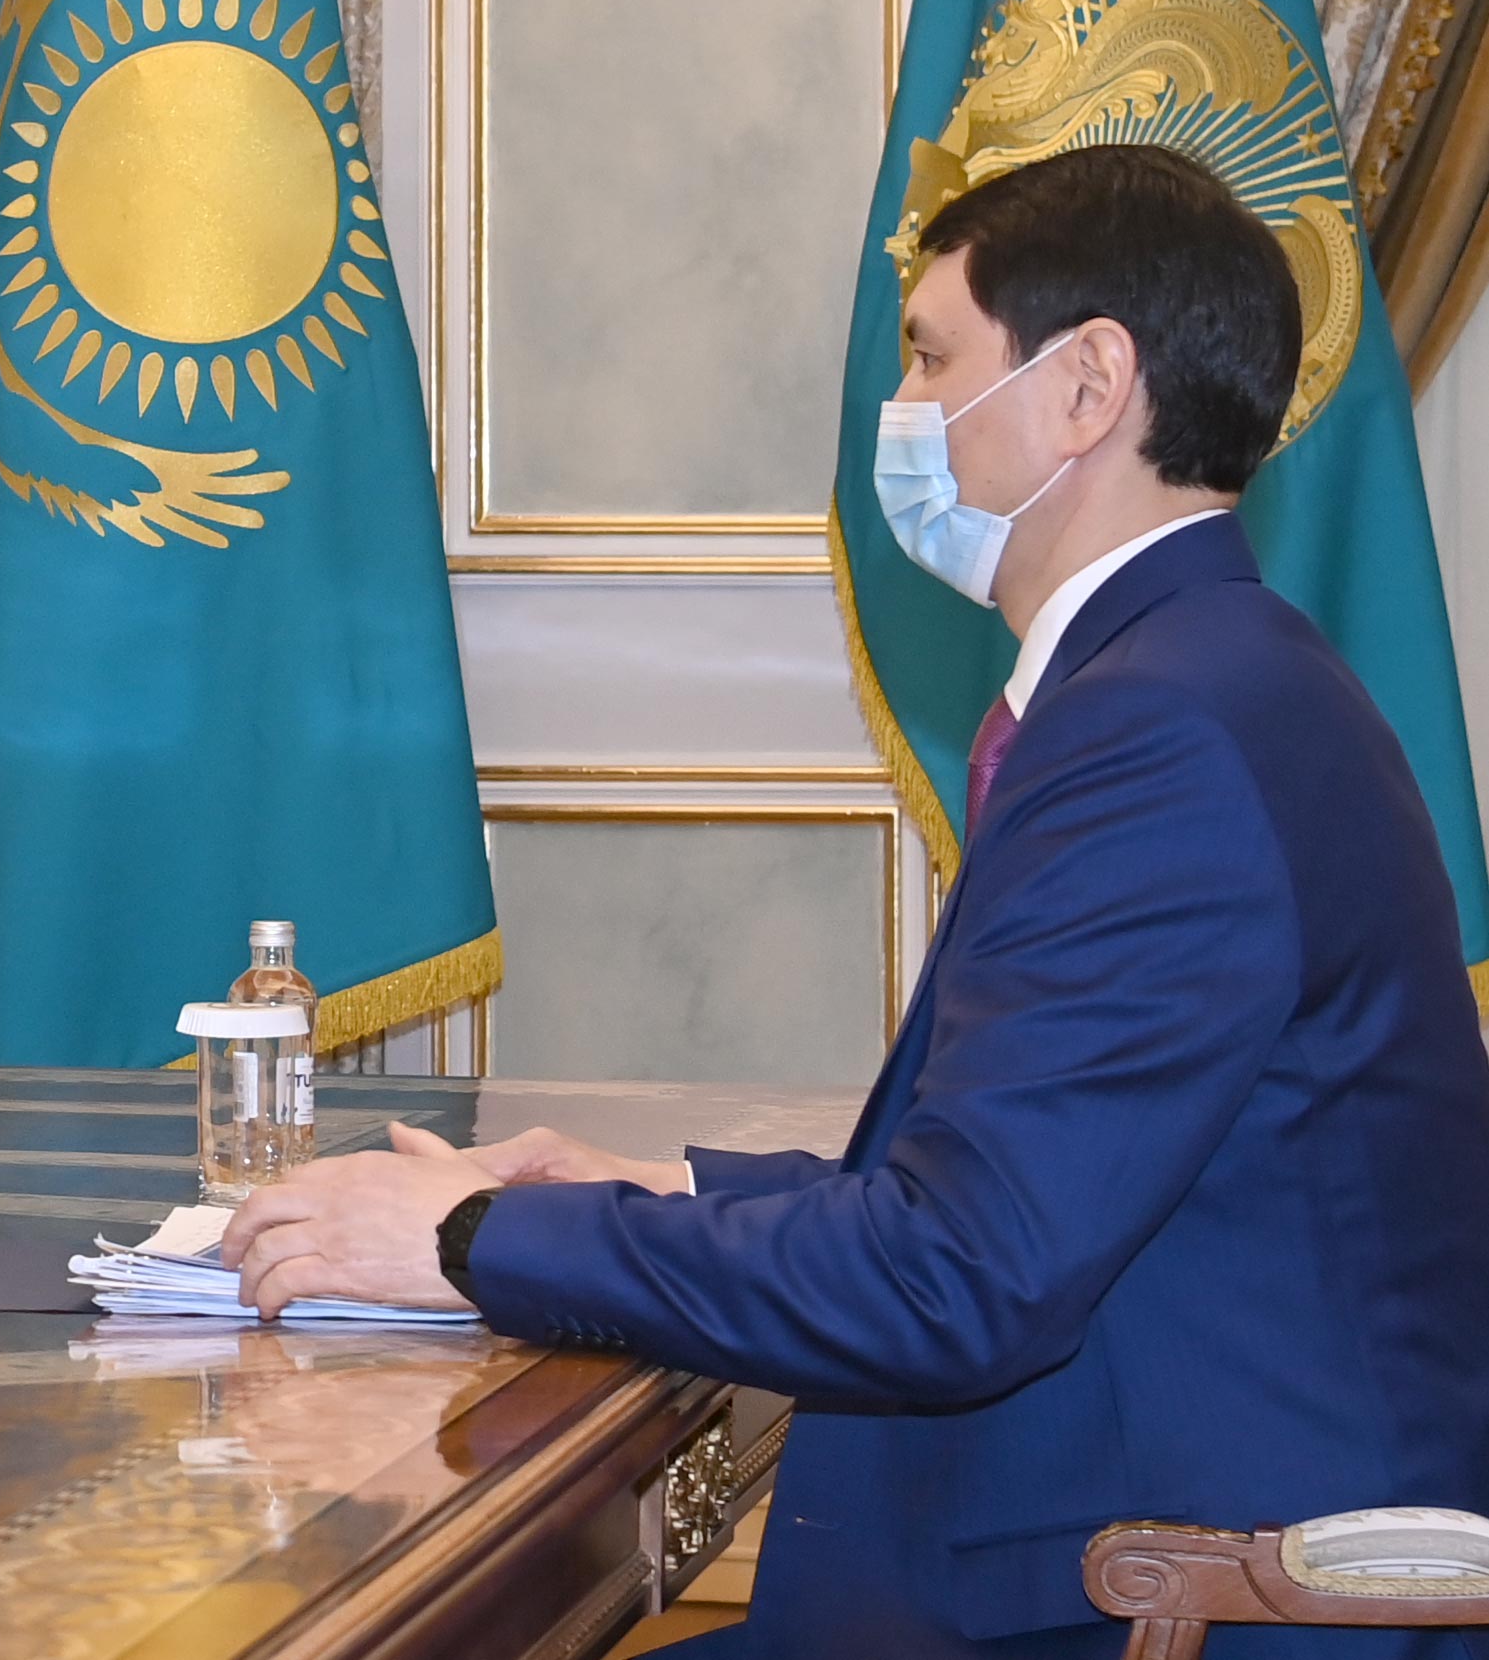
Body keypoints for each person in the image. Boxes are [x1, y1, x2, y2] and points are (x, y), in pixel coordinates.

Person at [221, 145, 1489, 1657]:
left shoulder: (1160, 731)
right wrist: (660, 1187)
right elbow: (1032, 1182)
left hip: (1172, 1600)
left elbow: (958, 1280)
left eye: (932, 358)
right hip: (1132, 1545)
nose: (901, 410)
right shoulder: (1220, 672)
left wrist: (471, 1236)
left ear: (1088, 387)